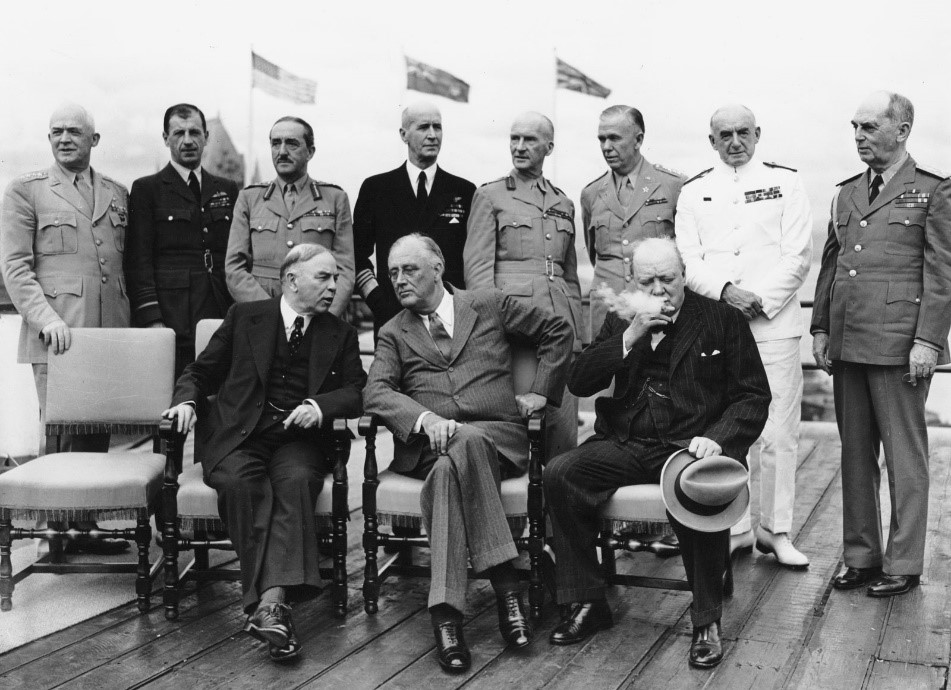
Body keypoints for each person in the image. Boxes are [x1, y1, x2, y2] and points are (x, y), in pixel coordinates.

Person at [544, 237, 770, 668]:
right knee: (561, 473)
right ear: (633, 280)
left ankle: (706, 620)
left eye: (668, 279)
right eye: (648, 281)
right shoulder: (622, 320)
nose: (659, 289)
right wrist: (629, 336)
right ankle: (589, 600)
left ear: (684, 274)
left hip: (690, 447)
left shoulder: (723, 320)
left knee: (698, 486)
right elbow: (578, 382)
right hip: (627, 443)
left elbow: (753, 396)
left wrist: (718, 439)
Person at [364, 233, 572, 674]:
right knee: (453, 456)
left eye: (409, 270)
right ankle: (507, 587)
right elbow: (376, 391)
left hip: (497, 439)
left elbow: (558, 330)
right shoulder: (392, 332)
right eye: (393, 273)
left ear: (438, 268)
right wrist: (426, 420)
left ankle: (446, 616)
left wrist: (539, 392)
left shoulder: (489, 304)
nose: (399, 280)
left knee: (462, 454)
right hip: (429, 445)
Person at [162, 244, 366, 662]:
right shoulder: (245, 317)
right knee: (240, 483)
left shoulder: (340, 332)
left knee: (295, 484)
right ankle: (273, 606)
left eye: (335, 278)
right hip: (240, 434)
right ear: (292, 280)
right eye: (323, 277)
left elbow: (358, 391)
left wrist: (319, 406)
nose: (334, 286)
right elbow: (200, 372)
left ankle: (269, 607)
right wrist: (186, 402)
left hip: (299, 442)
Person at [812, 91, 951, 598]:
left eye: (869, 127)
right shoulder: (844, 192)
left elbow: (942, 273)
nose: (858, 136)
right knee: (854, 455)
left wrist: (928, 341)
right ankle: (861, 556)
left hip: (899, 346)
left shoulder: (933, 190)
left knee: (905, 456)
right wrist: (821, 328)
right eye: (854, 127)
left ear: (902, 129)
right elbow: (832, 264)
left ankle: (905, 561)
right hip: (849, 343)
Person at [676, 104, 813, 567]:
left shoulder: (787, 182)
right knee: (723, 428)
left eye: (743, 133)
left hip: (773, 323)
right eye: (724, 134)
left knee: (777, 432)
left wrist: (758, 301)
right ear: (711, 141)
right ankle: (732, 528)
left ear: (758, 134)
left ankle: (776, 531)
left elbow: (798, 255)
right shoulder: (695, 192)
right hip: (717, 326)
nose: (735, 142)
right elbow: (688, 260)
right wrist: (727, 293)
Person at [1, 103, 132, 554]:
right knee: (58, 434)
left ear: (94, 140)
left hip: (106, 337)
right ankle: (54, 531)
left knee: (96, 433)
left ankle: (87, 526)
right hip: (57, 336)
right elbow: (16, 268)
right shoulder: (26, 191)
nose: (63, 139)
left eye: (74, 131)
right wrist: (46, 319)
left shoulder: (117, 193)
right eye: (55, 131)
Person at [464, 111, 581, 459]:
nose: (519, 146)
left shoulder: (563, 202)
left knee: (562, 432)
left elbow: (568, 274)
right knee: (522, 427)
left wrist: (576, 327)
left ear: (549, 146)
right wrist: (492, 327)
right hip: (517, 330)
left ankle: (554, 513)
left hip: (560, 328)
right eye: (514, 138)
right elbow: (478, 270)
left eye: (529, 139)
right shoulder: (491, 196)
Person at [126, 103, 239, 378]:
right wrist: (152, 320)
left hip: (219, 312)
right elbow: (138, 262)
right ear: (166, 138)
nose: (187, 141)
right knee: (174, 396)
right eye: (178, 133)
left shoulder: (226, 188)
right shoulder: (146, 190)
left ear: (206, 137)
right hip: (172, 318)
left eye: (194, 132)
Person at [353, 101, 475, 337]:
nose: (432, 135)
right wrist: (377, 299)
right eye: (423, 127)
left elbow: (473, 258)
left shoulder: (463, 191)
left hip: (449, 319)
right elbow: (356, 254)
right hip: (393, 316)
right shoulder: (376, 189)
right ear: (403, 134)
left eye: (437, 127)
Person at [225, 116, 354, 317]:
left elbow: (345, 270)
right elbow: (234, 269)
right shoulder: (249, 198)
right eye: (276, 143)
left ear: (310, 152)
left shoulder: (335, 199)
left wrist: (326, 318)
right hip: (262, 317)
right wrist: (272, 315)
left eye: (292, 144)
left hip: (319, 319)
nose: (282, 151)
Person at [582, 105, 684, 341]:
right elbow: (594, 254)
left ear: (638, 139)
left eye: (615, 138)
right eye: (602, 139)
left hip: (658, 308)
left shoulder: (672, 186)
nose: (607, 147)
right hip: (609, 309)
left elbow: (683, 254)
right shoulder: (592, 193)